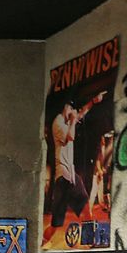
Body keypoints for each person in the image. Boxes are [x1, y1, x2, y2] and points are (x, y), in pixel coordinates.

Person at [46, 89, 106, 226]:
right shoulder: (58, 123)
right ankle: (44, 238)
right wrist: (73, 121)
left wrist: (93, 101)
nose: (73, 111)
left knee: (86, 210)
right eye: (71, 108)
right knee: (56, 224)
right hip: (63, 178)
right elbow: (71, 137)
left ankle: (89, 236)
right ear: (65, 107)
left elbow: (82, 112)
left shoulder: (67, 121)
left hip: (71, 176)